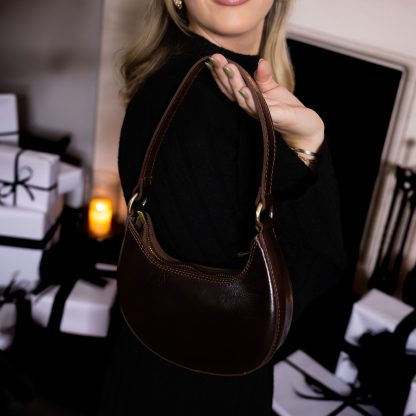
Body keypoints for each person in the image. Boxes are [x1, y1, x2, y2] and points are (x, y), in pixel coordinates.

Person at [100, 0, 348, 414]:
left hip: (158, 362)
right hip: (196, 390)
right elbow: (312, 269)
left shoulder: (180, 80)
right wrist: (309, 142)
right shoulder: (201, 100)